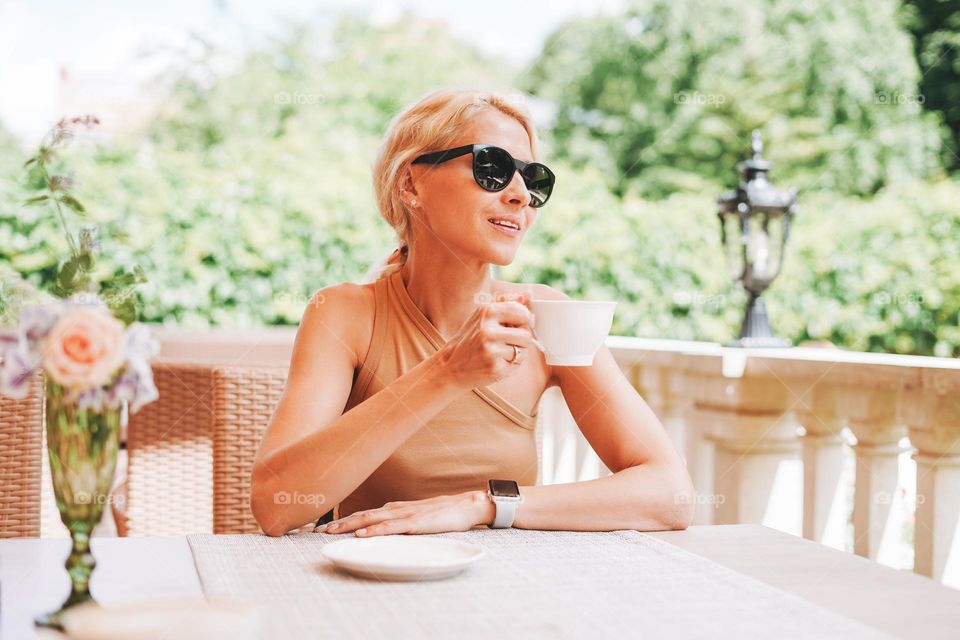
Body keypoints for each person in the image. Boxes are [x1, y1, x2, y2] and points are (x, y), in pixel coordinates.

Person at [250, 87, 694, 537]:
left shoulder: (548, 317)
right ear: (410, 183)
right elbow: (275, 506)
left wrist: (480, 505)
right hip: (376, 585)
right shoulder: (344, 314)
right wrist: (446, 372)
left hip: (505, 589)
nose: (520, 194)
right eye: (493, 168)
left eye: (533, 178)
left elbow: (670, 496)